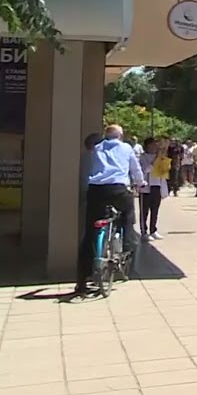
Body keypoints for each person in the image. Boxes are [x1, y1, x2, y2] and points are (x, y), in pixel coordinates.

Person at [76, 124, 145, 297]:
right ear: (120, 136)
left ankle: (82, 279)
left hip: (96, 190)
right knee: (128, 217)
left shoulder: (96, 148)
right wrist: (140, 182)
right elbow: (135, 170)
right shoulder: (126, 148)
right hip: (118, 189)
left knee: (90, 232)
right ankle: (128, 250)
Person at [140, 137, 170, 242]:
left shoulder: (160, 157)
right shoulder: (142, 157)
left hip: (157, 185)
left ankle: (153, 230)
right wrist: (156, 158)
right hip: (146, 187)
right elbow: (147, 169)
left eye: (155, 145)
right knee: (144, 211)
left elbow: (163, 172)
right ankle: (144, 231)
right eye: (152, 145)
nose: (154, 147)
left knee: (155, 210)